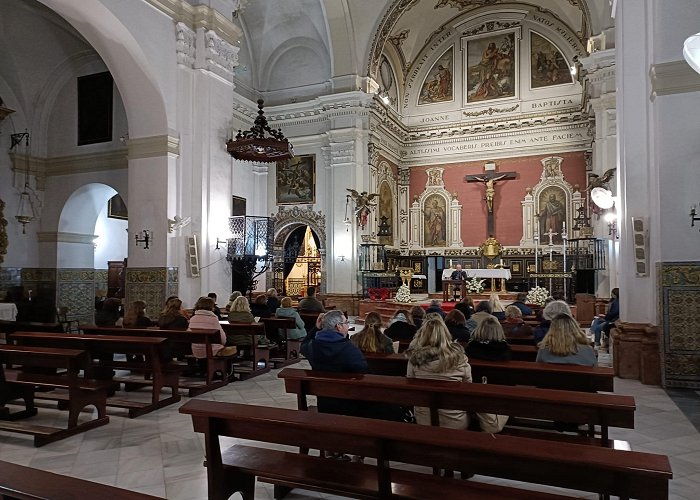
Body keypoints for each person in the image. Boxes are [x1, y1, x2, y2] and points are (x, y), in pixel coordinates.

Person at [406, 315, 472, 429]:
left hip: (424, 420)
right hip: (455, 421)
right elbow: (468, 387)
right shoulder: (460, 359)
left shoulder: (414, 360)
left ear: (423, 336)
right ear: (446, 334)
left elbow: (410, 383)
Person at [301, 310, 367, 416]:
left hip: (324, 403)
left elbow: (303, 346)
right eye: (346, 323)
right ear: (338, 326)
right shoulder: (348, 348)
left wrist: (316, 329)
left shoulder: (312, 346)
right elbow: (363, 368)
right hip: (349, 403)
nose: (347, 325)